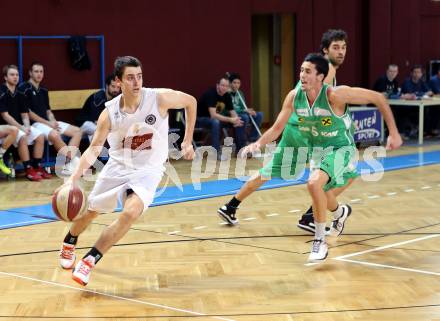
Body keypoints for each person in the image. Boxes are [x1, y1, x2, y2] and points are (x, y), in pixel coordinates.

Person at [243, 53, 402, 261]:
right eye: (301, 70)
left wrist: (394, 132)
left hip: (341, 147)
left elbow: (378, 98)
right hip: (318, 149)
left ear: (320, 77)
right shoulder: (294, 96)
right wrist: (257, 144)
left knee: (313, 184)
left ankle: (319, 242)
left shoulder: (335, 95)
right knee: (323, 191)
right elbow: (276, 127)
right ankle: (340, 213)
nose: (302, 75)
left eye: (308, 71)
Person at [57, 56, 196, 286]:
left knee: (130, 213)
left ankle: (89, 260)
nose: (136, 82)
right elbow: (93, 150)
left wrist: (188, 141)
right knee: (91, 212)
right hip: (118, 166)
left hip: (149, 170)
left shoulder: (158, 98)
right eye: (130, 77)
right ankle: (69, 241)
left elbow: (190, 101)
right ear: (119, 82)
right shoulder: (109, 113)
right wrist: (72, 179)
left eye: (139, 76)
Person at [218, 29, 349, 234]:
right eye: (336, 48)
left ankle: (231, 206)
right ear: (325, 50)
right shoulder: (327, 70)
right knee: (334, 174)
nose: (340, 52)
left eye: (343, 47)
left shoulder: (312, 68)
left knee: (270, 170)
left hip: (293, 129)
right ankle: (309, 217)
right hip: (308, 131)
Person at [19, 62, 83, 175]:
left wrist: (53, 121)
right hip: (35, 124)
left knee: (78, 131)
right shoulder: (24, 88)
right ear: (30, 73)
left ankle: (67, 163)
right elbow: (28, 113)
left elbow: (48, 110)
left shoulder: (44, 90)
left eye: (41, 71)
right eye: (36, 71)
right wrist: (49, 123)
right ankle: (74, 162)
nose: (39, 74)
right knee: (55, 135)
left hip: (48, 122)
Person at [0, 65, 49, 181]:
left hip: (19, 127)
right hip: (6, 129)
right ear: (5, 77)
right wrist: (21, 127)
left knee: (39, 135)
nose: (15, 77)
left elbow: (24, 114)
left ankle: (37, 166)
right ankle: (28, 169)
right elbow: (5, 116)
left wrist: (27, 126)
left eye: (17, 75)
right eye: (12, 75)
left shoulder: (20, 94)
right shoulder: (2, 92)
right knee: (21, 136)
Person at [196, 76, 244, 159]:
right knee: (216, 122)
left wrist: (236, 119)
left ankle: (240, 150)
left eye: (226, 86)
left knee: (242, 119)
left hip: (216, 119)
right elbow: (213, 115)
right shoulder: (211, 94)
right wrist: (230, 119)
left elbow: (232, 111)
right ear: (217, 85)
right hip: (201, 120)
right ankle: (216, 152)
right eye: (222, 85)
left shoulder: (227, 96)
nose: (225, 88)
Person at [75, 73, 121, 142]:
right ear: (107, 86)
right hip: (84, 123)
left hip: (98, 125)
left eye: (118, 87)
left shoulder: (116, 99)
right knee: (99, 131)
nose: (115, 90)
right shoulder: (98, 98)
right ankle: (97, 152)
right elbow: (97, 121)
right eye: (113, 86)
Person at [227, 72, 263, 142]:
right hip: (231, 115)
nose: (236, 85)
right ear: (230, 83)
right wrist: (244, 111)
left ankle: (253, 138)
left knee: (259, 114)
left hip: (241, 113)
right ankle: (241, 142)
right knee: (244, 117)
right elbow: (228, 109)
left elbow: (242, 107)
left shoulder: (240, 93)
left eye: (238, 83)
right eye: (234, 83)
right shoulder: (226, 94)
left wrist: (248, 110)